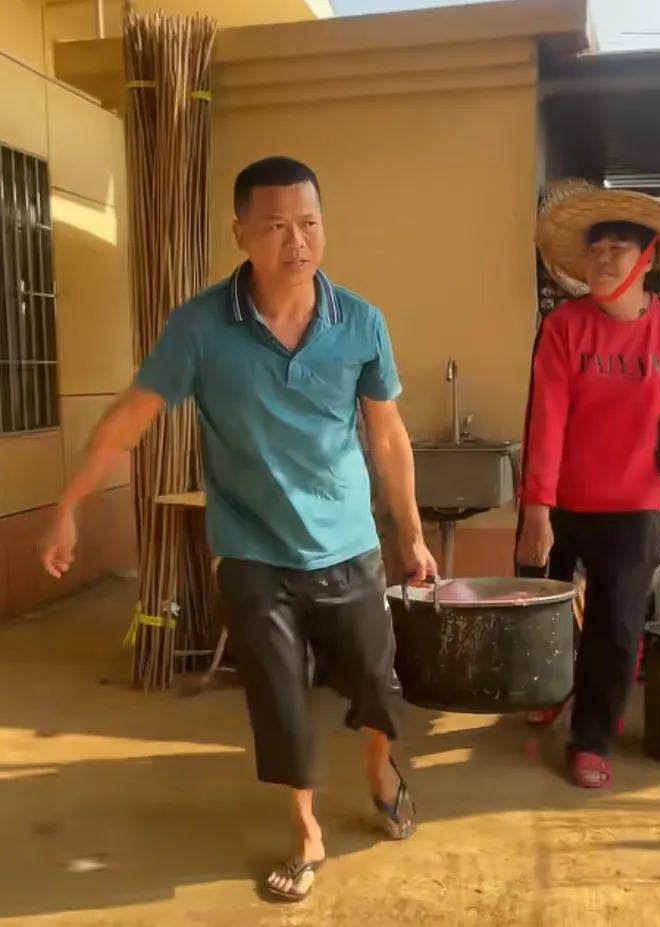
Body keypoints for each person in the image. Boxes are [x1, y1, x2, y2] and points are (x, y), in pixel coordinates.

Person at [40, 156, 436, 900]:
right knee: (278, 698)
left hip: (349, 541)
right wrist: (67, 505)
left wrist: (410, 533)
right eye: (277, 225)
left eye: (309, 223)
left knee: (376, 682)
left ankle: (381, 769)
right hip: (253, 548)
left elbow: (387, 435)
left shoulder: (360, 321)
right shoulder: (200, 327)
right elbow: (129, 418)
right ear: (241, 233)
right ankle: (306, 829)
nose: (297, 241)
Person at [517, 181, 660, 789]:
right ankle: (552, 690)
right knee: (544, 614)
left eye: (617, 249)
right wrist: (536, 510)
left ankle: (592, 740)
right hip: (561, 504)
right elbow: (546, 420)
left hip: (633, 507)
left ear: (648, 258)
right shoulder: (564, 327)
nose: (602, 260)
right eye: (595, 250)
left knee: (617, 627)